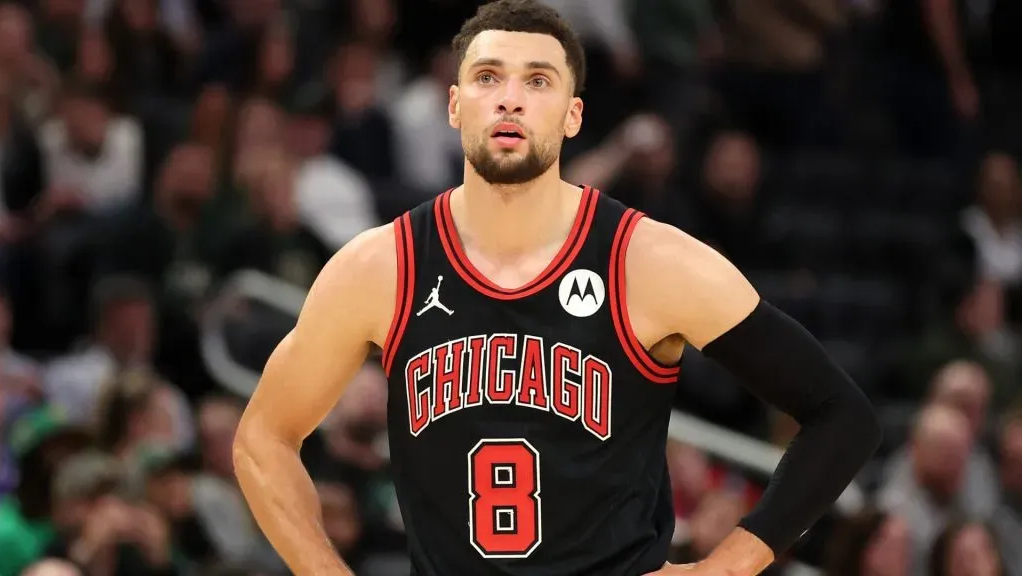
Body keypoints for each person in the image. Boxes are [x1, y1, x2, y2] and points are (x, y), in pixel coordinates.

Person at [232, 1, 882, 575]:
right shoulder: (382, 265)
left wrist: (731, 565)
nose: (510, 98)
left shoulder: (650, 260)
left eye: (537, 81)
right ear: (454, 105)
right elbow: (263, 440)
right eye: (488, 78)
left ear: (573, 116)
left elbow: (841, 415)